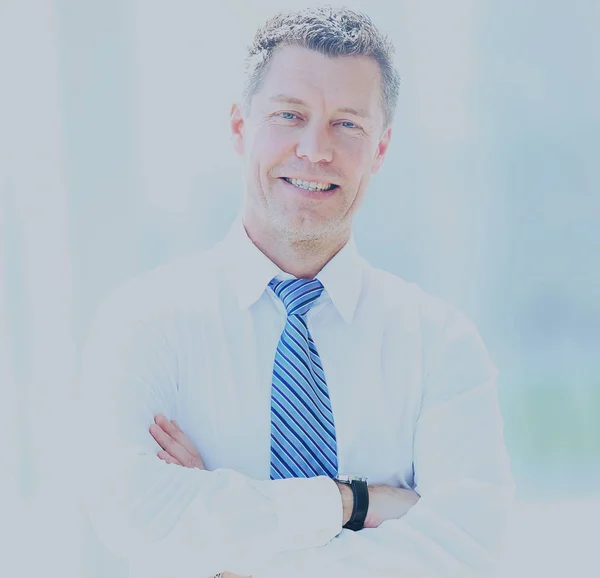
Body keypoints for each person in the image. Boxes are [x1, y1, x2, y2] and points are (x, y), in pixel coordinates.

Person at [78, 6, 514, 578]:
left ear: (381, 149)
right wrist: (353, 503)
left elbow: (468, 551)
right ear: (239, 127)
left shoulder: (439, 342)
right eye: (289, 115)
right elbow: (134, 516)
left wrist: (232, 548)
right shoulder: (144, 321)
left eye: (348, 124)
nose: (315, 149)